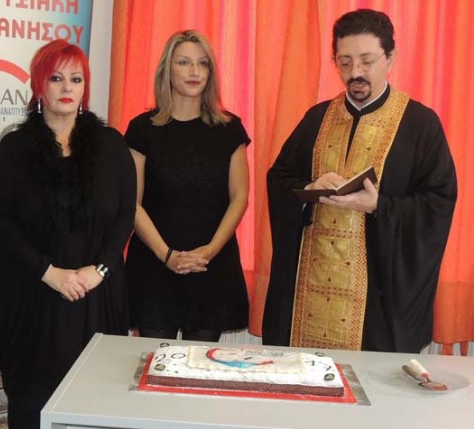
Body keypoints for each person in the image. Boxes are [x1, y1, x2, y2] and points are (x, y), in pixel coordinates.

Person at [263, 9, 457, 353]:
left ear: (390, 58)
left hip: (378, 302)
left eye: (367, 61)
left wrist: (379, 205)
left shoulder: (420, 124)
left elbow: (438, 201)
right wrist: (309, 189)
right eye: (345, 62)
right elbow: (279, 178)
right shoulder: (317, 118)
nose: (355, 73)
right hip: (308, 291)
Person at [0, 39, 136, 429]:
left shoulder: (111, 146)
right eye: (56, 78)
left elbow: (124, 215)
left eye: (76, 79)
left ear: (86, 88)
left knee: (93, 409)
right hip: (31, 298)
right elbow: (3, 223)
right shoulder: (14, 149)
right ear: (38, 86)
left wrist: (98, 270)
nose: (67, 87)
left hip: (96, 297)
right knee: (32, 410)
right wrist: (50, 273)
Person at [125, 30, 251, 342]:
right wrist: (167, 255)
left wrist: (209, 251)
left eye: (202, 63)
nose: (195, 71)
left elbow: (240, 198)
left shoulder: (229, 128)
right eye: (184, 62)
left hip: (211, 266)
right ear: (167, 70)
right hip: (154, 267)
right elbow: (131, 203)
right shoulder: (142, 129)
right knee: (154, 364)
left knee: (201, 366)